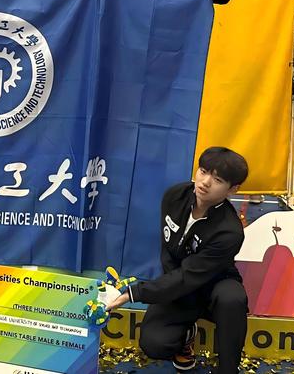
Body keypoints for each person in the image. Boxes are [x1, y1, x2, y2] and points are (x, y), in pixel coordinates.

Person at [106, 147, 249, 374]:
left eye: (218, 180)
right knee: (154, 344)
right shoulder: (175, 196)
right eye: (203, 171)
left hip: (213, 284)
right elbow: (168, 251)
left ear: (233, 189)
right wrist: (166, 290)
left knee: (233, 299)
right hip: (179, 283)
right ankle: (186, 336)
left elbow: (191, 275)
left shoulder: (229, 231)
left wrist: (133, 293)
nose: (205, 182)